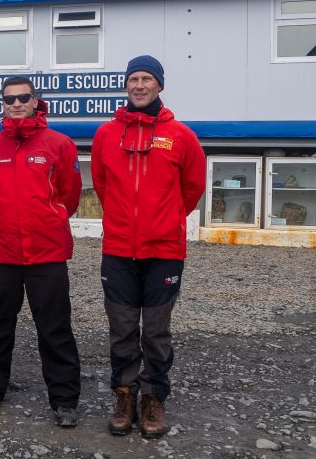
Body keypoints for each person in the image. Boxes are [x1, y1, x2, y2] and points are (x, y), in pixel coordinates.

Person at [91, 55, 205, 439]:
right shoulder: (106, 135)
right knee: (122, 330)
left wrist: (165, 220)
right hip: (119, 250)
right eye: (133, 79)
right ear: (126, 85)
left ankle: (153, 398)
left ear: (159, 84)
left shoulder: (182, 136)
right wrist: (126, 222)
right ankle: (124, 395)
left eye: (147, 78)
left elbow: (192, 189)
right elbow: (103, 185)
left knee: (156, 331)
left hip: (164, 251)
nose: (139, 85)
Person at [0, 76, 82, 427]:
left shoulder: (60, 144)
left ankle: (64, 400)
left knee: (55, 328)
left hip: (46, 253)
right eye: (9, 99)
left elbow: (70, 195)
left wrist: (49, 217)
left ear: (36, 100)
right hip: (3, 253)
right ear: (2, 104)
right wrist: (2, 219)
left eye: (23, 97)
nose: (15, 104)